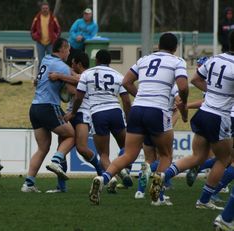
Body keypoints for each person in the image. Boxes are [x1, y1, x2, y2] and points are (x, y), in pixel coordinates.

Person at [87, 33, 189, 206]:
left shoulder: (144, 59)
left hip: (137, 109)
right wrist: (184, 102)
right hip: (157, 110)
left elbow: (126, 82)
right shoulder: (177, 61)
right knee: (165, 156)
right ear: (175, 48)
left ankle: (103, 178)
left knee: (128, 154)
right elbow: (183, 86)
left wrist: (140, 95)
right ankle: (159, 196)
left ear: (158, 45)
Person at [157, 31, 234, 210]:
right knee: (224, 159)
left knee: (197, 156)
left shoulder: (214, 59)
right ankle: (204, 200)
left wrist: (214, 91)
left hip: (203, 113)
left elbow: (196, 79)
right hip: (220, 116)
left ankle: (162, 177)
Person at [65, 49, 132, 194]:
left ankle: (111, 177)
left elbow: (78, 97)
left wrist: (73, 113)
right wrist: (128, 117)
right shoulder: (118, 75)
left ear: (96, 60)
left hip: (98, 113)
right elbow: (126, 100)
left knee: (104, 155)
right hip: (115, 111)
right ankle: (124, 170)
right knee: (127, 148)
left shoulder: (87, 74)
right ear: (110, 62)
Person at [21, 37, 75, 193]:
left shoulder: (45, 59)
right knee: (72, 135)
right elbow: (72, 91)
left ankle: (28, 184)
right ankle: (57, 161)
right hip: (48, 106)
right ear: (63, 49)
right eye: (68, 49)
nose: (69, 52)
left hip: (35, 108)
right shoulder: (61, 67)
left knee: (42, 148)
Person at [46, 52, 103, 193]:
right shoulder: (74, 75)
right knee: (61, 148)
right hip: (69, 113)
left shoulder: (88, 74)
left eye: (73, 64)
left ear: (78, 64)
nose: (71, 66)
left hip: (83, 113)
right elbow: (72, 84)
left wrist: (60, 76)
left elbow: (77, 82)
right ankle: (61, 187)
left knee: (82, 148)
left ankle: (102, 174)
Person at [31, 1, 61, 68]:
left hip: (50, 43)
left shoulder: (53, 18)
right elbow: (32, 30)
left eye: (46, 8)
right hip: (40, 43)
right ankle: (40, 77)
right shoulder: (37, 18)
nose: (45, 10)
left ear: (49, 9)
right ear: (41, 9)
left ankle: (50, 77)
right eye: (43, 8)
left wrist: (55, 37)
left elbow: (58, 29)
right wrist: (35, 37)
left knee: (51, 60)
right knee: (41, 60)